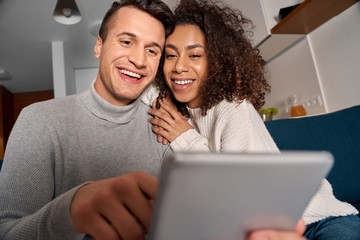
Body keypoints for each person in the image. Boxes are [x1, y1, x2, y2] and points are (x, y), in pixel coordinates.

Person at [0, 0, 312, 240]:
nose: (138, 60)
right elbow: (7, 231)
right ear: (99, 45)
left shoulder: (163, 123)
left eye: (153, 50)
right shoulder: (39, 120)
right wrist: (72, 210)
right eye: (126, 41)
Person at [145, 0, 360, 239]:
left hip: (318, 219)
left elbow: (238, 193)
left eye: (194, 55)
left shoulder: (232, 106)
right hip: (263, 230)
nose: (179, 67)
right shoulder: (177, 114)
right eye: (170, 55)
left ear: (216, 62)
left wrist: (184, 137)